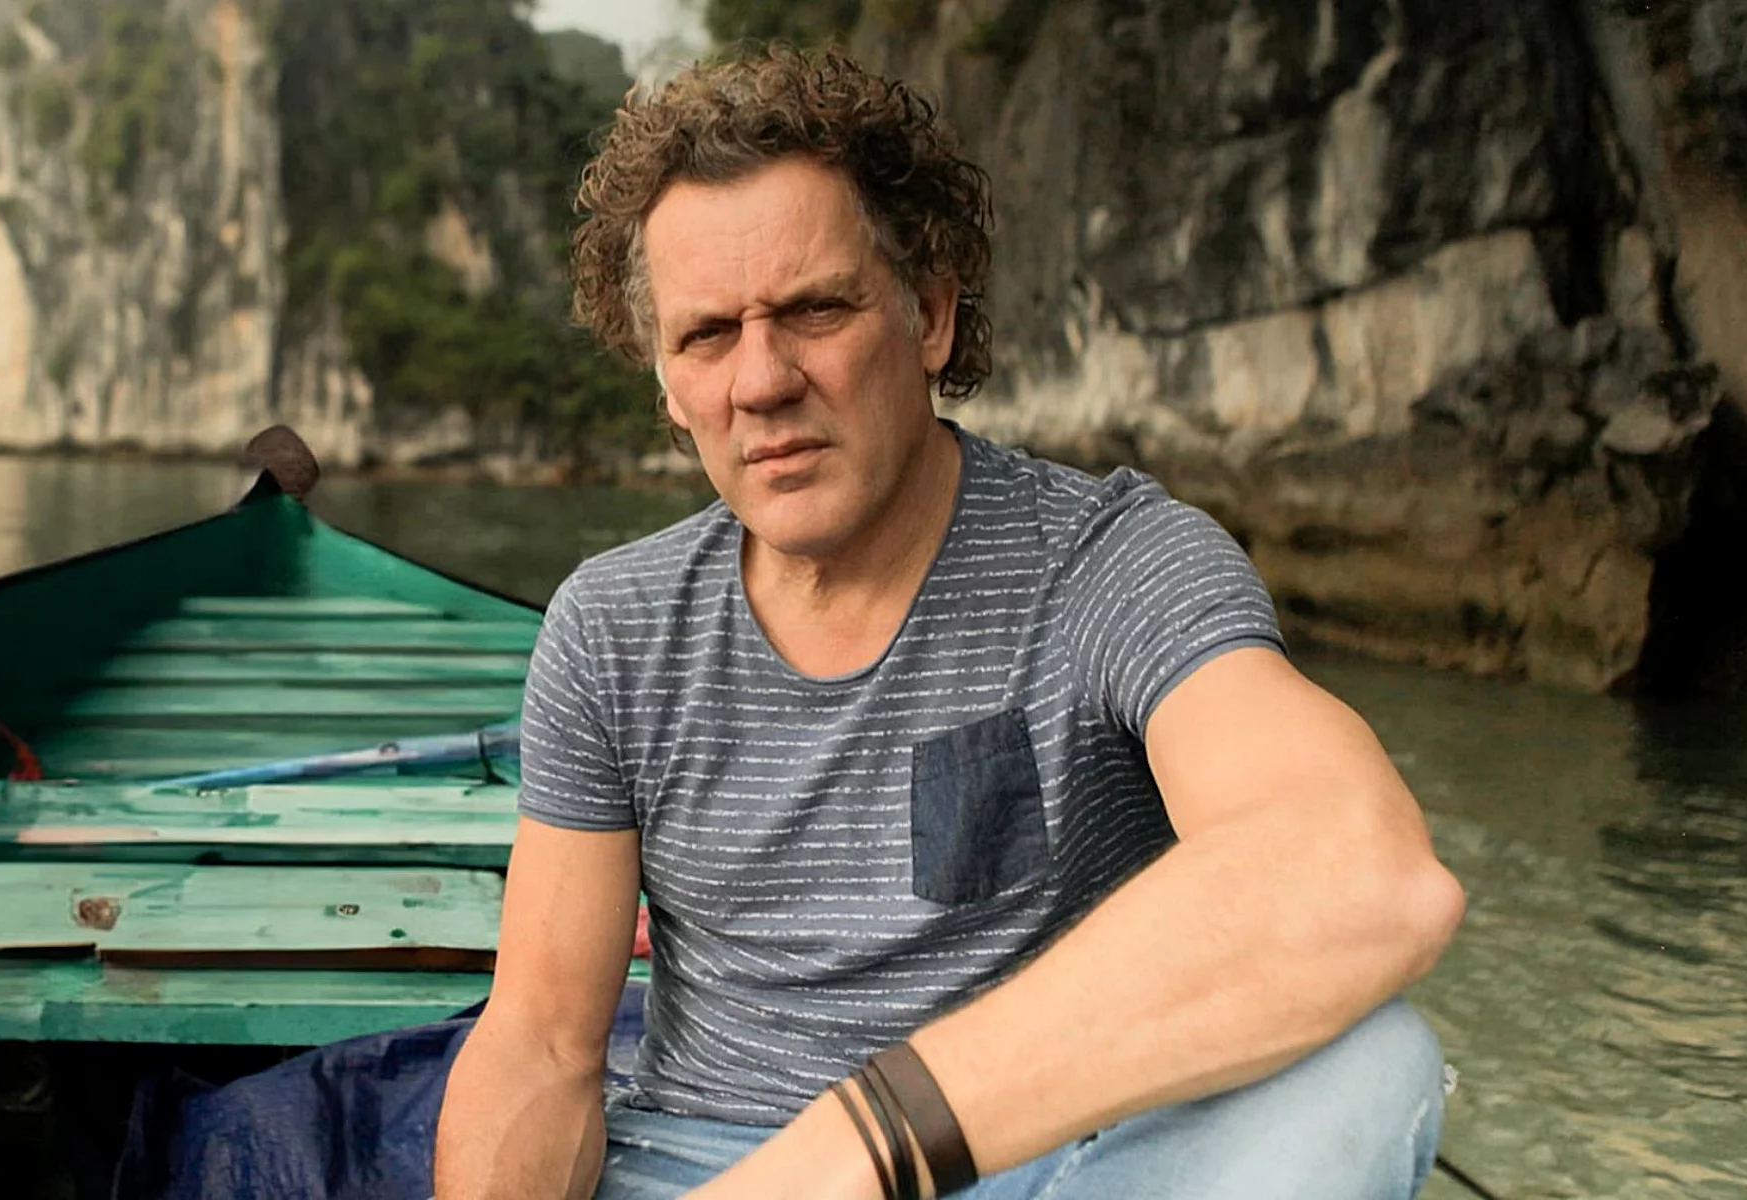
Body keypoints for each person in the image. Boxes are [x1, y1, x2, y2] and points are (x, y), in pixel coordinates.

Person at [436, 44, 1464, 1200]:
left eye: (815, 309)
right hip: (703, 1162)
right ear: (670, 386)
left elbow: (1358, 868)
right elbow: (543, 1045)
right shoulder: (613, 628)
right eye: (708, 334)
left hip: (1042, 1160)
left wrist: (862, 1143)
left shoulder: (1113, 566)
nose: (762, 381)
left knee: (1371, 1067)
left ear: (928, 316)